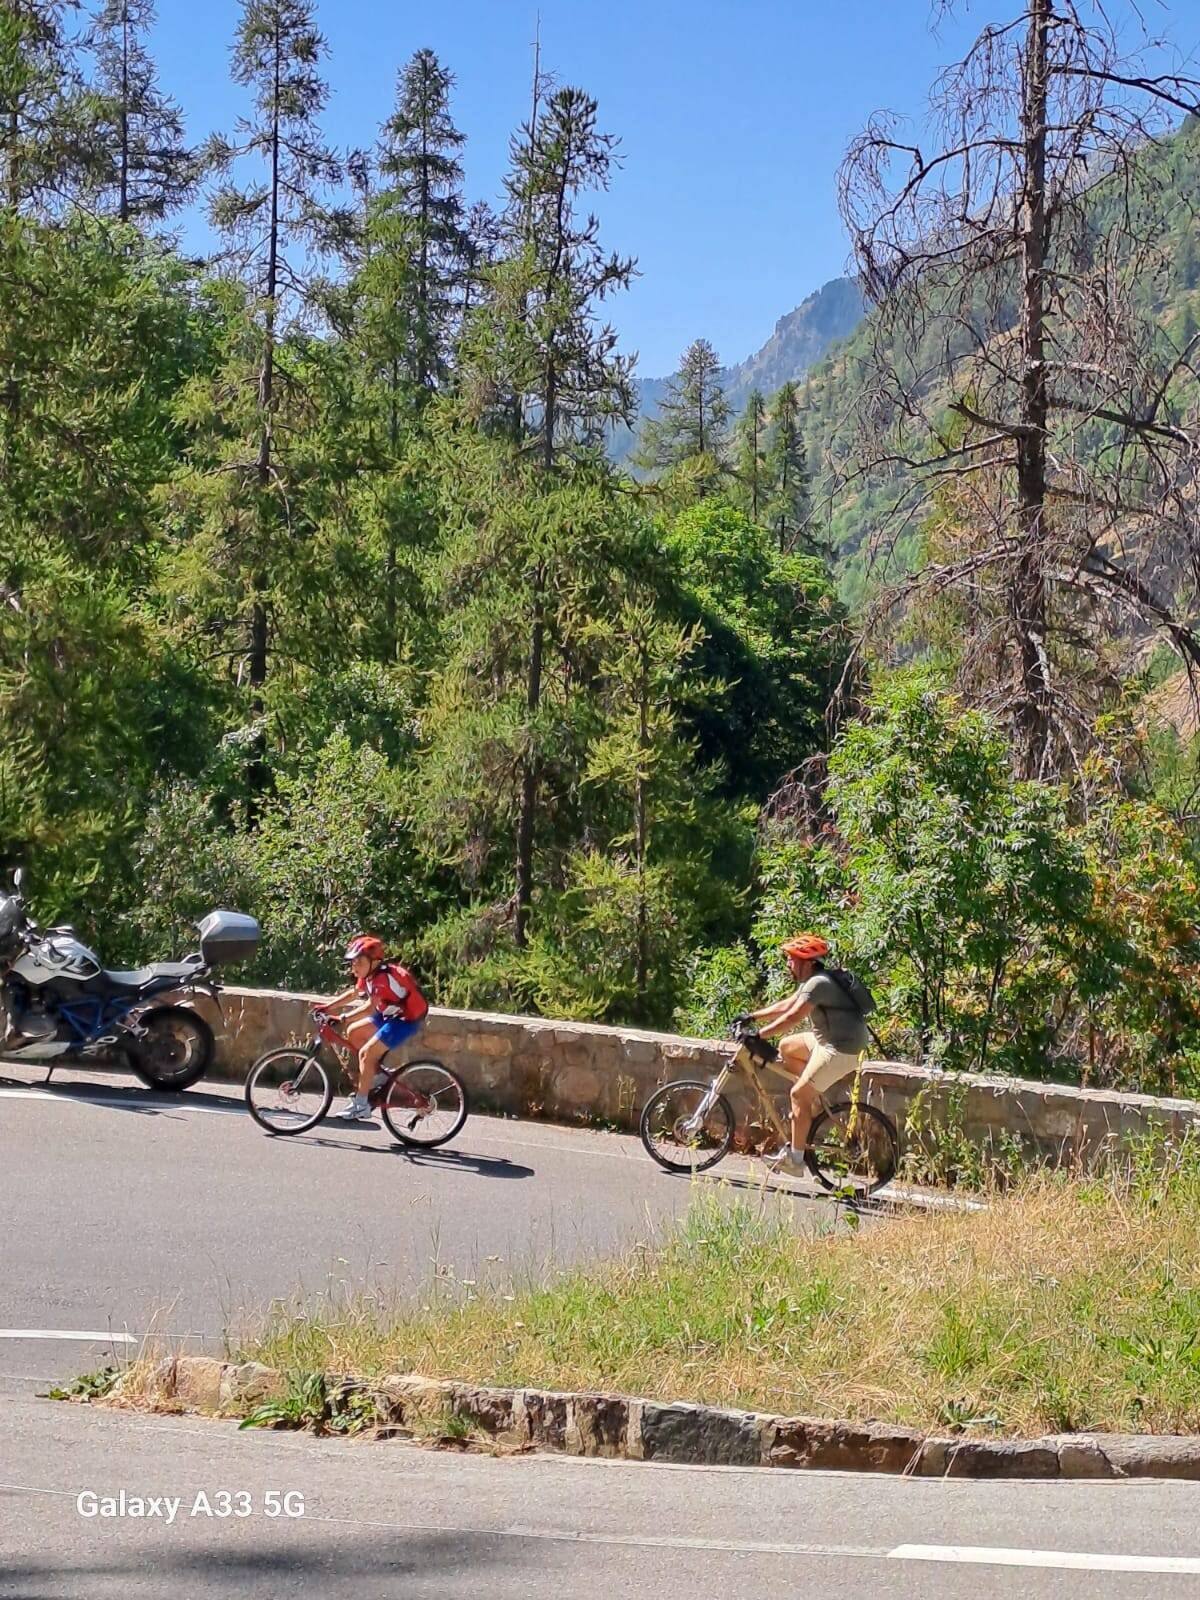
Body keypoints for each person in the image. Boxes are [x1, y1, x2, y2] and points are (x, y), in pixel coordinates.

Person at [742, 934, 869, 1174]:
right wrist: (753, 1017)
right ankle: (810, 1099)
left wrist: (759, 1035)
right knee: (787, 1047)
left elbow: (793, 1017)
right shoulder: (812, 981)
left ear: (807, 962)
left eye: (792, 960)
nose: (789, 964)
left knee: (798, 1094)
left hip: (841, 1049)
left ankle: (796, 1160)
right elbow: (788, 1005)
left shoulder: (818, 983)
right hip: (827, 1041)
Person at [323, 935, 429, 1121]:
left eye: (359, 962)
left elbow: (369, 1008)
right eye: (353, 962)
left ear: (374, 962)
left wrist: (342, 1017)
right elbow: (354, 993)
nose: (354, 966)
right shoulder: (369, 975)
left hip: (404, 1021)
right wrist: (328, 1007)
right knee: (354, 1032)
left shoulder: (382, 980)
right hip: (388, 1014)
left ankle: (361, 1105)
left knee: (366, 1053)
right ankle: (378, 1077)